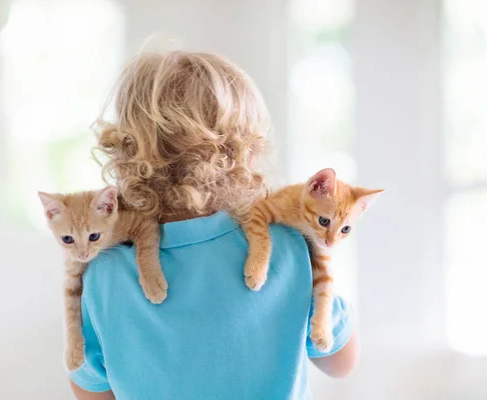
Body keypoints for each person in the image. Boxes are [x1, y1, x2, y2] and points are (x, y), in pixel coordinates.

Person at [69, 50, 358, 400]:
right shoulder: (287, 244)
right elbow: (342, 362)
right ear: (245, 150)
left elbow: (91, 393)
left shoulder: (104, 271)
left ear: (126, 150)